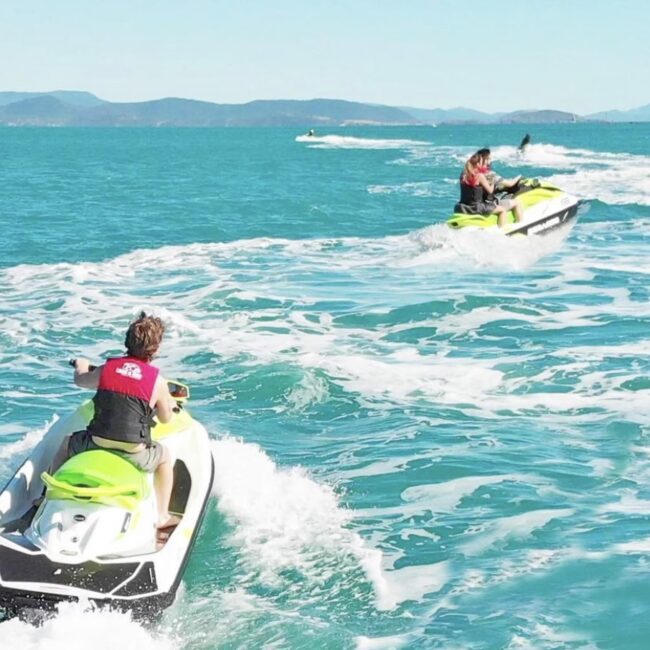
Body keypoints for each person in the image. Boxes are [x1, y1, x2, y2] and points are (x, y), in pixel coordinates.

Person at [52, 312, 179, 534]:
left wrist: (81, 366)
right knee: (164, 457)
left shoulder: (106, 369)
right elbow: (167, 418)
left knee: (65, 443)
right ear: (155, 349)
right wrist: (166, 404)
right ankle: (162, 515)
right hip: (133, 451)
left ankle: (47, 496)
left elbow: (81, 380)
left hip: (96, 442)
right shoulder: (157, 382)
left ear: (127, 342)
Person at [455, 149, 523, 229]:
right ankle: (503, 232)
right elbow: (491, 190)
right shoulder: (481, 176)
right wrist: (494, 182)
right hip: (477, 207)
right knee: (502, 210)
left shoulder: (463, 175)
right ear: (478, 163)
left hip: (463, 206)